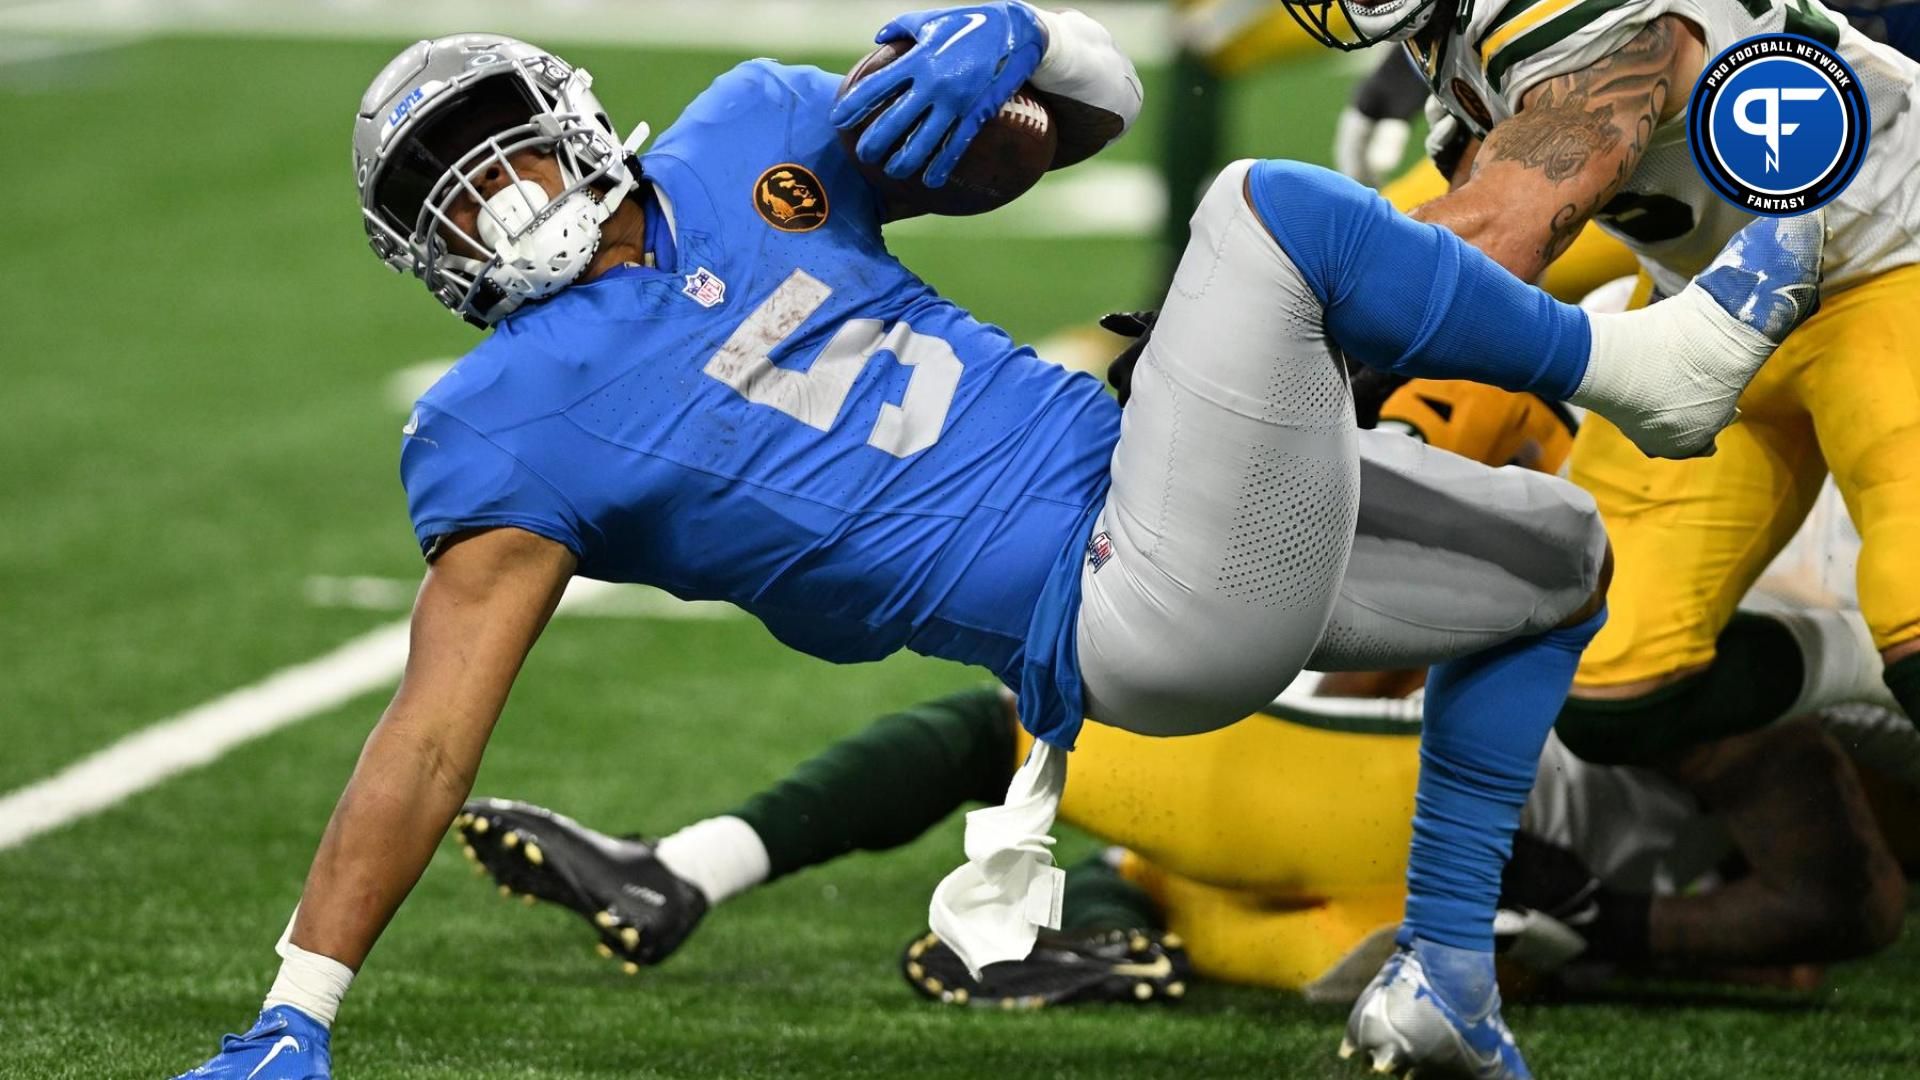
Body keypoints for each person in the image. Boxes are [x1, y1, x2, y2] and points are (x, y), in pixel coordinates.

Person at [169, 4, 1821, 1075]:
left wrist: (1020, 40)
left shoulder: (750, 135)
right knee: (1261, 215)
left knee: (1552, 559)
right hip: (1116, 608)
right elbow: (432, 729)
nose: (501, 199)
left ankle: (1448, 983)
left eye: (505, 152)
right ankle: (1638, 370)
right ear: (430, 257)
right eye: (457, 197)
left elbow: (1068, 125)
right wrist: (297, 1009)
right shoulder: (498, 425)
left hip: (1184, 524)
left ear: (570, 117)